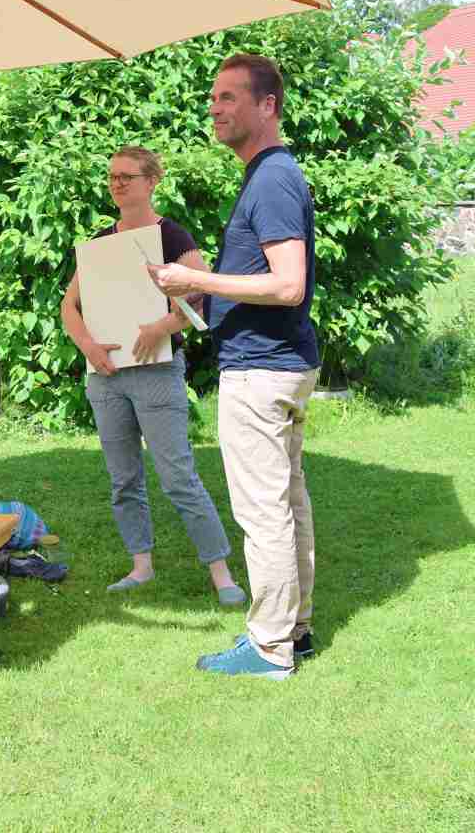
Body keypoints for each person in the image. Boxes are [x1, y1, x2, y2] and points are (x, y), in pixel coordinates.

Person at [146, 55, 319, 681]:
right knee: (288, 503)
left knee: (264, 510)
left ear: (267, 105)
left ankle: (269, 646)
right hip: (281, 364)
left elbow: (288, 284)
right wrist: (203, 298)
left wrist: (193, 277)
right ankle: (294, 630)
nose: (215, 108)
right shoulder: (270, 175)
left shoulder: (272, 179)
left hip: (262, 370)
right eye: (212, 97)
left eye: (228, 97)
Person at [61, 146, 245, 606]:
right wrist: (87, 346)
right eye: (112, 177)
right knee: (123, 479)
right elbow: (69, 306)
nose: (117, 183)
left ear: (151, 181)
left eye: (127, 176)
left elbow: (201, 294)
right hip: (107, 377)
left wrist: (162, 327)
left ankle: (220, 572)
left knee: (178, 476)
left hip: (158, 372)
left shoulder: (172, 235)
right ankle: (141, 565)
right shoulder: (102, 242)